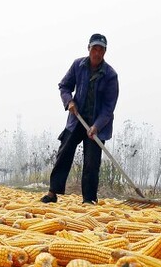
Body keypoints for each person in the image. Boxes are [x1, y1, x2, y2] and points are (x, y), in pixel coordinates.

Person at [41, 33, 118, 205]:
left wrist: (96, 126)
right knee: (64, 154)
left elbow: (108, 107)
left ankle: (89, 200)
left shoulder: (110, 75)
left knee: (92, 163)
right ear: (89, 48)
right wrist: (69, 101)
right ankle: (53, 192)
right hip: (76, 119)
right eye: (94, 49)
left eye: (101, 50)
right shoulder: (78, 65)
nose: (97, 53)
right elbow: (64, 85)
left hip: (97, 125)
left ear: (105, 52)